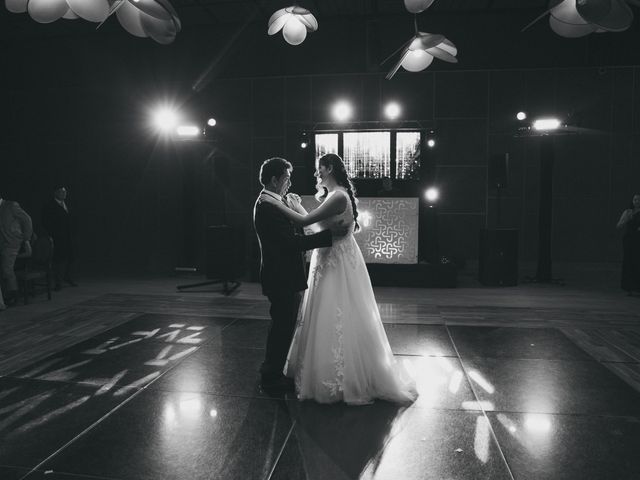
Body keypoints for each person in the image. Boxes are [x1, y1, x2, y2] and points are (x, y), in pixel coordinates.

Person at [261, 153, 418, 405]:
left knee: (338, 311)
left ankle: (343, 375)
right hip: (327, 257)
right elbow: (316, 227)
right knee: (323, 313)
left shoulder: (338, 197)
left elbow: (304, 222)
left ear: (330, 168)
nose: (316, 174)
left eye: (319, 169)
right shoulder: (334, 196)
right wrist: (293, 204)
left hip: (337, 261)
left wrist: (279, 204)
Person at [253, 157, 337, 394]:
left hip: (282, 274)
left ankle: (274, 371)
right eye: (287, 178)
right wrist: (327, 237)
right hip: (280, 276)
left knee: (283, 324)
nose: (290, 182)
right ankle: (270, 376)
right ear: (274, 179)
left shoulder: (274, 202)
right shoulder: (268, 206)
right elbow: (290, 243)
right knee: (282, 326)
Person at [0, 196, 33, 306]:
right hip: (3, 244)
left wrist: (26, 239)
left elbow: (27, 219)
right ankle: (5, 295)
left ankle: (13, 295)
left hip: (12, 243)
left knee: (6, 269)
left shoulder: (11, 205)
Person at [42, 186, 77, 290]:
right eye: (61, 191)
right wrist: (52, 234)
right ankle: (58, 282)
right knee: (58, 260)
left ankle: (67, 277)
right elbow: (46, 222)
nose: (64, 193)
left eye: (65, 191)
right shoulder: (49, 206)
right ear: (55, 193)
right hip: (57, 237)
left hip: (69, 236)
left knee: (71, 257)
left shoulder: (68, 204)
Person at [616, 193, 640, 295]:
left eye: (639, 200)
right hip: (628, 239)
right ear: (632, 201)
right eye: (635, 200)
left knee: (637, 262)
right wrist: (626, 219)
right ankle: (629, 288)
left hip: (638, 239)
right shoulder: (627, 212)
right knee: (628, 262)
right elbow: (618, 226)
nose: (637, 202)